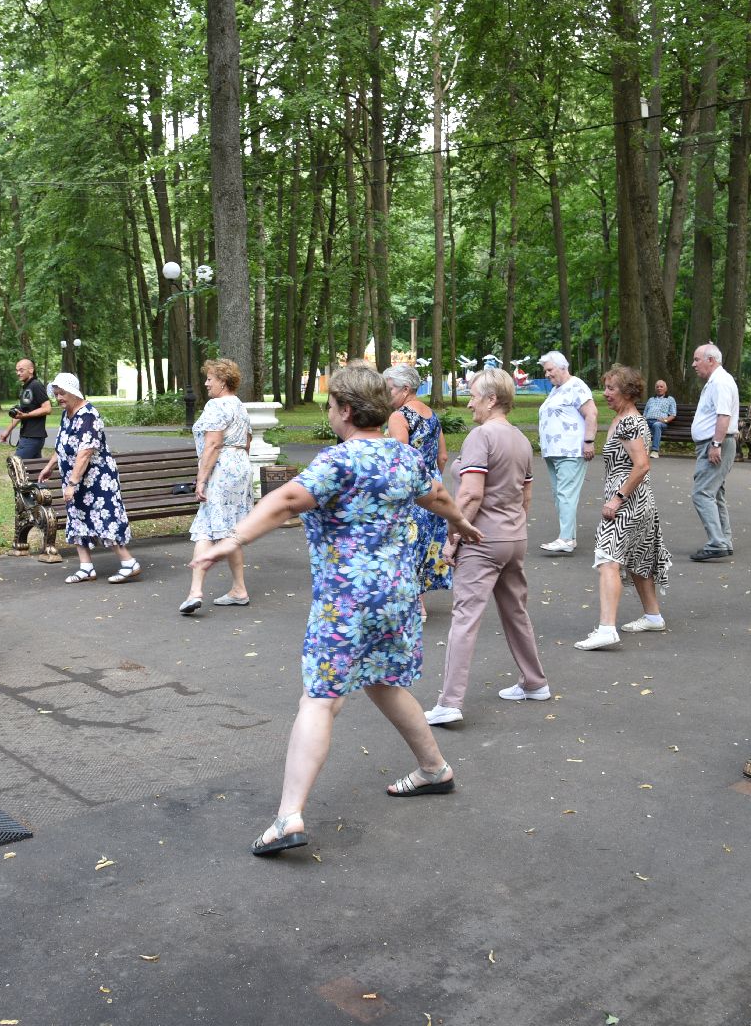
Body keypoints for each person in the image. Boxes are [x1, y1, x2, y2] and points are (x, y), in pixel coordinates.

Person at [192, 366, 483, 857]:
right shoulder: (404, 456)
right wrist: (460, 523)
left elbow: (287, 501)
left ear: (346, 410)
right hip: (397, 596)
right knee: (383, 681)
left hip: (348, 602)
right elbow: (435, 496)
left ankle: (288, 817)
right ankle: (435, 769)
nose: (329, 413)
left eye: (330, 406)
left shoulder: (339, 461)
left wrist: (232, 539)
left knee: (320, 698)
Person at [425, 369, 548, 725]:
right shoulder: (521, 439)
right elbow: (525, 495)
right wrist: (513, 528)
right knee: (516, 612)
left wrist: (454, 539)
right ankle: (535, 682)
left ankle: (449, 702)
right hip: (513, 538)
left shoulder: (481, 436)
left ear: (492, 399)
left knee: (464, 618)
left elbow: (471, 494)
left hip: (481, 540)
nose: (469, 403)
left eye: (474, 396)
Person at [574, 365, 671, 650]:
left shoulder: (629, 423)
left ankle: (606, 629)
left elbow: (642, 465)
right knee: (640, 558)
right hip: (640, 500)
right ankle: (653, 616)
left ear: (628, 392)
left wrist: (617, 498)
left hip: (628, 502)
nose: (605, 393)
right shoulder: (626, 419)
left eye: (611, 388)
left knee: (607, 559)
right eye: (605, 387)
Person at [36, 372, 142, 585]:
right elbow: (63, 445)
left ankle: (129, 563)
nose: (58, 398)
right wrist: (49, 467)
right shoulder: (67, 414)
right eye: (56, 394)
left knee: (105, 517)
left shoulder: (88, 415)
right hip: (75, 478)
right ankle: (86, 567)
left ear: (74, 392)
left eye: (62, 393)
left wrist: (72, 483)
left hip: (97, 479)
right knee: (77, 518)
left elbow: (85, 452)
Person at [180, 358, 253, 615]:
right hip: (240, 465)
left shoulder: (216, 405)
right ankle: (239, 589)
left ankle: (195, 592)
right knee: (229, 529)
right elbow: (248, 440)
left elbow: (213, 444)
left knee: (206, 527)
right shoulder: (239, 405)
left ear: (223, 381)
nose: (206, 383)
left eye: (210, 378)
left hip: (221, 468)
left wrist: (201, 479)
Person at [383, 364, 452, 615]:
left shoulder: (399, 416)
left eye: (389, 389)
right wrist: (433, 478)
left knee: (405, 545)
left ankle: (414, 606)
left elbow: (399, 456)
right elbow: (442, 456)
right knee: (423, 544)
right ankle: (416, 601)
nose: (386, 394)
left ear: (405, 389)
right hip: (433, 487)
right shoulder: (431, 414)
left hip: (410, 490)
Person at [535, 350, 598, 554]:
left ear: (563, 367)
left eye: (550, 370)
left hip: (570, 450)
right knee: (560, 495)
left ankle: (566, 539)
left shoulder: (576, 385)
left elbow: (591, 414)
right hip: (554, 452)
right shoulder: (557, 390)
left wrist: (589, 441)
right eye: (545, 371)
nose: (547, 374)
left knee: (565, 494)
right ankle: (569, 537)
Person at [689, 343, 739, 561]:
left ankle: (717, 542)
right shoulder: (716, 381)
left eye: (697, 359)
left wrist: (716, 444)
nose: (693, 364)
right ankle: (723, 540)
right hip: (714, 443)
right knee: (715, 493)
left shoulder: (720, 382)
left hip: (717, 443)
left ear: (710, 360)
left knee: (702, 493)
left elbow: (723, 416)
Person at [0, 358, 52, 459]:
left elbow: (47, 408)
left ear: (31, 370)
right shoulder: (26, 387)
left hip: (32, 437)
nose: (18, 373)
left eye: (21, 370)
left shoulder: (36, 385)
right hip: (28, 436)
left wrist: (26, 415)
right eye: (17, 370)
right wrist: (7, 431)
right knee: (33, 467)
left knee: (16, 465)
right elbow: (21, 414)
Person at [642, 379, 677, 458]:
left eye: (661, 387)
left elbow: (673, 414)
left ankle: (655, 451)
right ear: (655, 389)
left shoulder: (670, 399)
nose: (659, 388)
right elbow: (645, 413)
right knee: (638, 426)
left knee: (656, 425)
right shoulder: (651, 399)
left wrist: (665, 420)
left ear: (665, 389)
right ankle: (639, 451)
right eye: (657, 387)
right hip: (648, 421)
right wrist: (642, 421)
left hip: (660, 423)